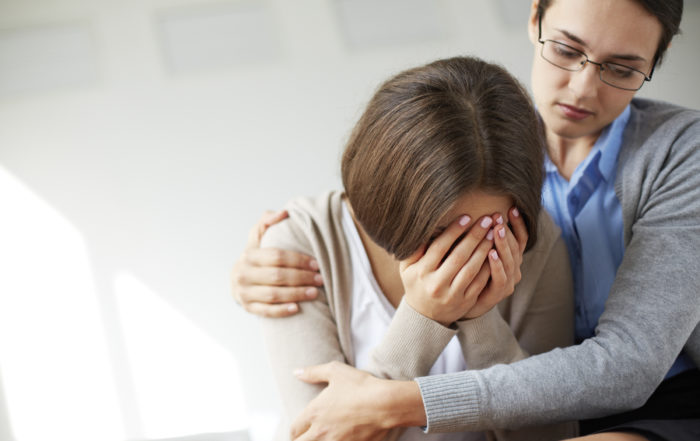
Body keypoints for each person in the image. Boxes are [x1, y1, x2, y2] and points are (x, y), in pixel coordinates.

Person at [233, 0, 700, 439]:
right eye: (565, 50)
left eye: (622, 69)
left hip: (662, 398)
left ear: (657, 58)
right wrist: (257, 265)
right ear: (535, 17)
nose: (582, 88)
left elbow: (626, 368)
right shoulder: (482, 142)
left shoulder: (675, 156)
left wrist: (411, 381)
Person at [260, 56, 576, 441]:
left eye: (486, 232)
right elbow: (320, 433)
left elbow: (555, 435)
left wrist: (480, 319)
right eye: (443, 230)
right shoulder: (301, 242)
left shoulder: (536, 242)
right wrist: (424, 318)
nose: (462, 255)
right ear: (388, 195)